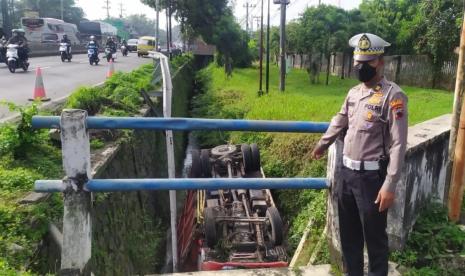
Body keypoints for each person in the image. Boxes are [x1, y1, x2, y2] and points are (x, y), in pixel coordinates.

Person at [312, 33, 408, 276]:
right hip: (346, 175)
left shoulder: (393, 96)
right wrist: (323, 144)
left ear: (380, 62)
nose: (360, 67)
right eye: (358, 62)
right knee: (349, 237)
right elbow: (340, 119)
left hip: (372, 180)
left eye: (367, 63)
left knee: (375, 240)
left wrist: (390, 184)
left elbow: (398, 143)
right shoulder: (353, 93)